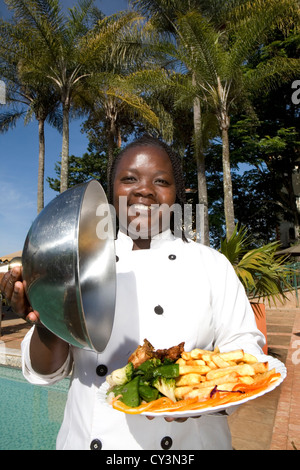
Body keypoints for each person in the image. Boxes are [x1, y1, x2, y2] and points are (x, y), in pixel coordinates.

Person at [0, 135, 265, 450]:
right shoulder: (78, 263)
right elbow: (47, 373)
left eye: (161, 181)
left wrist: (201, 398)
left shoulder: (211, 265)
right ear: (112, 191)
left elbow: (246, 349)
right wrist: (46, 317)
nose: (144, 190)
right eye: (129, 179)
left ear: (176, 193)